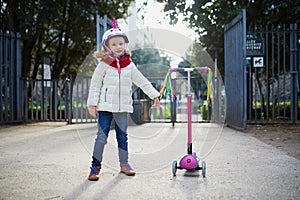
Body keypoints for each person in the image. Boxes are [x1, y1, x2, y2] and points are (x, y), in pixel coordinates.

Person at [87, 19, 160, 181]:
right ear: (107, 47)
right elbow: (95, 85)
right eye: (114, 44)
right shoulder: (104, 64)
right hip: (105, 107)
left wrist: (154, 94)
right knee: (101, 137)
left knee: (122, 137)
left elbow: (141, 81)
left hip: (122, 108)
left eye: (121, 43)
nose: (119, 46)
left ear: (125, 45)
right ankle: (95, 166)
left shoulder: (129, 65)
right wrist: (92, 103)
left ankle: (124, 164)